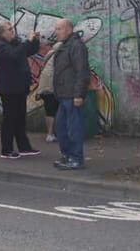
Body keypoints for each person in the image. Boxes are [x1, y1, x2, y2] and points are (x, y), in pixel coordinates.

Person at [0, 21, 41, 159]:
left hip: (20, 87)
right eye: (9, 30)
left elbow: (28, 51)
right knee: (9, 119)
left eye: (12, 29)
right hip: (9, 88)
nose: (12, 31)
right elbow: (15, 54)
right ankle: (6, 149)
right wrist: (27, 41)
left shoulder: (14, 44)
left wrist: (35, 41)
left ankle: (24, 147)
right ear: (2, 33)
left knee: (20, 118)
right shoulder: (1, 47)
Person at [52, 18, 91, 170]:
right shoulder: (65, 45)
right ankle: (67, 155)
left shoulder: (76, 46)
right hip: (63, 94)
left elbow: (82, 71)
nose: (57, 32)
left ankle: (76, 158)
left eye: (59, 29)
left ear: (69, 29)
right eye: (56, 29)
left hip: (71, 95)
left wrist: (79, 94)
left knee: (74, 128)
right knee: (61, 127)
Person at [35, 38, 62, 143]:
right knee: (55, 110)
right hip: (52, 86)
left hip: (45, 86)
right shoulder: (61, 54)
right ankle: (52, 133)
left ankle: (50, 133)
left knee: (50, 110)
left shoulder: (51, 53)